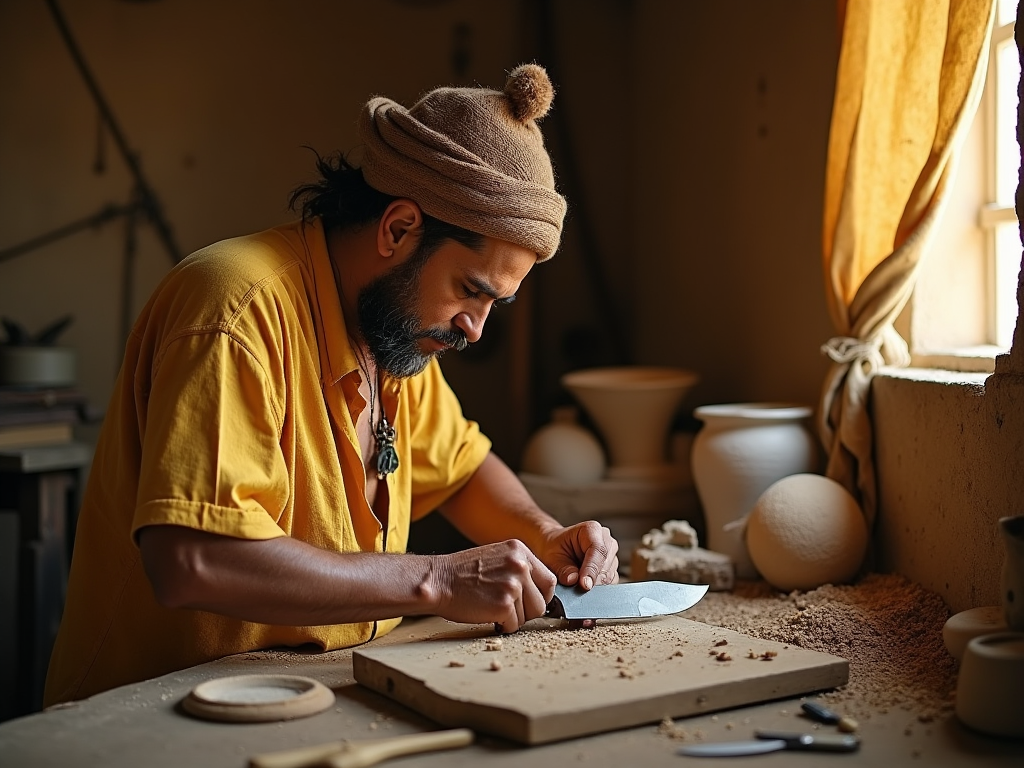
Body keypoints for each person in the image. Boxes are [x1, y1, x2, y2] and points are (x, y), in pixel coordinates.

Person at [44, 63, 619, 706]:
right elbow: (192, 560)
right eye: (470, 290)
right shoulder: (236, 308)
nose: (476, 329)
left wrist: (546, 539)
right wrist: (435, 578)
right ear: (398, 229)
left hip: (309, 695)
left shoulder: (396, 337)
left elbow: (458, 469)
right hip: (152, 717)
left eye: (495, 304)